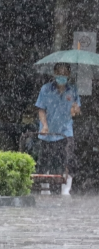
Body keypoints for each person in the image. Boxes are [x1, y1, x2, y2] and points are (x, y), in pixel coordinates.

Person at [35, 63, 80, 195]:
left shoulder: (73, 90)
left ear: (69, 75)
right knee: (44, 161)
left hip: (65, 131)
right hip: (47, 132)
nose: (62, 76)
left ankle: (66, 189)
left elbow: (76, 111)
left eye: (64, 73)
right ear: (54, 74)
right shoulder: (46, 89)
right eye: (59, 73)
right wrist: (44, 125)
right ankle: (45, 188)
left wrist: (76, 110)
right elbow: (41, 109)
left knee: (67, 158)